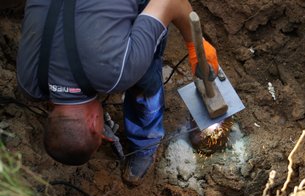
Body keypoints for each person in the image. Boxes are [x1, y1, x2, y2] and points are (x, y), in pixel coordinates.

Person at [16, 0, 219, 186]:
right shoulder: (29, 83)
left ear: (94, 124)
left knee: (142, 78)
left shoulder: (117, 73)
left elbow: (169, 1)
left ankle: (145, 142)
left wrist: (195, 44)